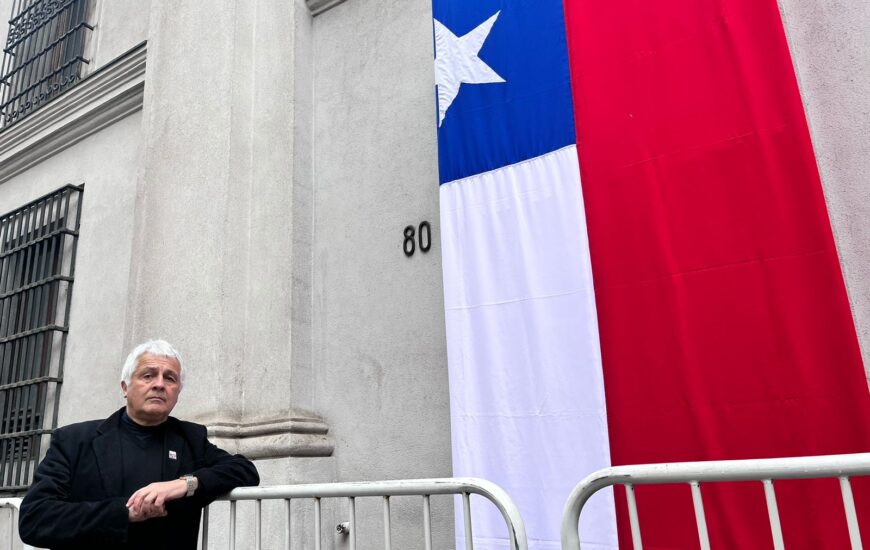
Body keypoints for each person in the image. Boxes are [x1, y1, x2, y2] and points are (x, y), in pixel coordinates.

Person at [19, 340, 259, 549]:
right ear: (125, 387)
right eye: (148, 375)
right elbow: (35, 518)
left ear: (177, 392)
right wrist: (123, 514)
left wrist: (184, 484)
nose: (159, 384)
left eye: (170, 378)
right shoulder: (74, 440)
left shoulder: (190, 438)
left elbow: (245, 470)